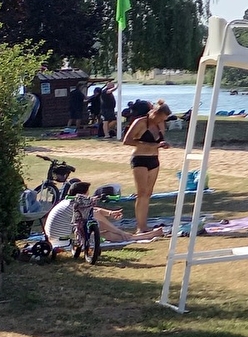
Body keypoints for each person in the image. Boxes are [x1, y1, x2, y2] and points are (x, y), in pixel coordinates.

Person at [45, 180, 165, 244]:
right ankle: (130, 235)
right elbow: (94, 213)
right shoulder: (74, 203)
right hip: (63, 238)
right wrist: (117, 230)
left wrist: (110, 213)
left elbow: (93, 210)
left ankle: (141, 236)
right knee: (104, 230)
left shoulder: (68, 202)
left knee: (104, 232)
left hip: (57, 235)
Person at [122, 99, 170, 233]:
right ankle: (140, 226)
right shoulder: (140, 122)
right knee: (141, 193)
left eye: (164, 119)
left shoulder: (161, 125)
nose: (161, 121)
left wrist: (163, 144)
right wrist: (149, 145)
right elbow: (126, 140)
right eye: (160, 118)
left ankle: (144, 225)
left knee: (148, 194)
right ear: (154, 113)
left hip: (154, 159)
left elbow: (159, 141)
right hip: (140, 159)